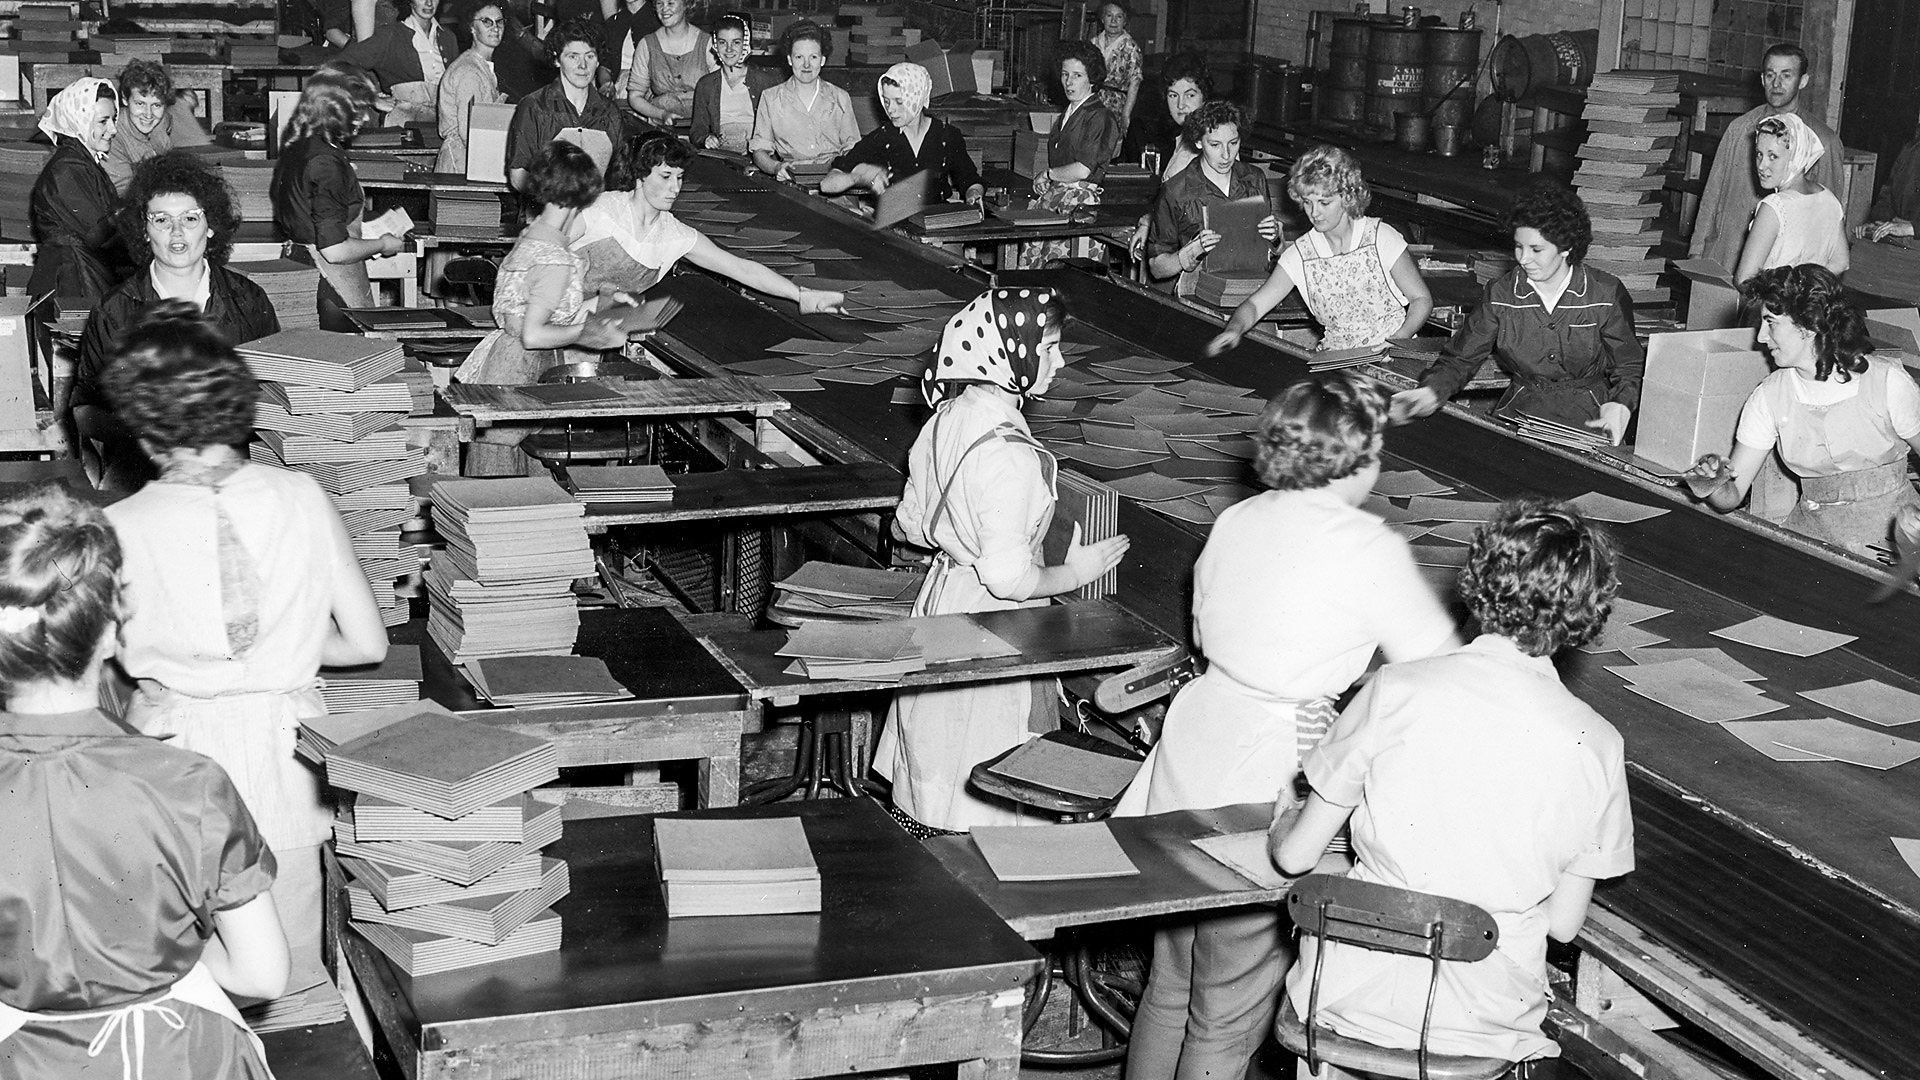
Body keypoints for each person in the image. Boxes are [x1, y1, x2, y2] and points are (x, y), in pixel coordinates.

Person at [1116, 373, 1458, 1080]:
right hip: (1271, 769)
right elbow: (1440, 673)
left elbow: (1208, 630)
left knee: (1172, 982)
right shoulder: (1367, 545)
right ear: (1356, 457)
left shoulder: (1239, 519)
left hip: (1192, 750)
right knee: (1227, 1008)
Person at [1271, 498, 1634, 1069]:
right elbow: (1564, 925)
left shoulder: (1395, 688)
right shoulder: (1601, 744)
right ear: (1587, 614)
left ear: (1479, 582)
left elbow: (1295, 857)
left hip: (1345, 996)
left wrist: (1283, 820)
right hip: (1481, 1021)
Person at [102, 303, 388, 1010]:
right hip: (288, 763)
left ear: (141, 425)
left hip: (168, 768)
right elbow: (367, 643)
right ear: (237, 402)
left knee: (176, 985)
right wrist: (279, 650)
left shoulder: (115, 527)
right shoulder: (302, 495)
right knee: (289, 988)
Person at [0, 486, 291, 1078]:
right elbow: (263, 975)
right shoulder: (189, 785)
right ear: (110, 632)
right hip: (185, 1058)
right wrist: (151, 965)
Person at [877, 288, 1131, 833]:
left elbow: (911, 525)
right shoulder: (1010, 454)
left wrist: (961, 536)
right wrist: (1075, 572)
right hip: (989, 631)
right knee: (982, 784)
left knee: (933, 762)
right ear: (1009, 353)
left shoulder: (947, 415)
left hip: (942, 604)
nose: (1059, 361)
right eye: (1050, 348)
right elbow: (1007, 578)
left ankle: (926, 855)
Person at [75, 153, 281, 488]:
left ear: (210, 226)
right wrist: (149, 430)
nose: (177, 232)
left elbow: (275, 397)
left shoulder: (248, 300)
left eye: (190, 218)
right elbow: (85, 411)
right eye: (161, 220)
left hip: (232, 471)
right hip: (143, 473)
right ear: (144, 230)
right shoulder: (114, 310)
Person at [1684, 265, 1920, 553]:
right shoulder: (1768, 397)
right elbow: (1731, 497)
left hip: (1900, 536)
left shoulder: (1888, 382)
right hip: (1816, 534)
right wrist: (1712, 482)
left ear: (1809, 325)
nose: (1760, 337)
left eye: (1771, 323)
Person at [1393, 182, 1643, 447]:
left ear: (1566, 247)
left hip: (1590, 418)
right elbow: (1461, 359)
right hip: (1522, 415)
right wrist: (1431, 391)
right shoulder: (1501, 294)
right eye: (1518, 246)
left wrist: (1621, 404)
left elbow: (1628, 365)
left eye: (1536, 249)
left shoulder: (1604, 294)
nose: (1523, 259)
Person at [456, 141, 628, 475]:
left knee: (499, 477)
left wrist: (603, 302)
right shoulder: (555, 260)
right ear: (580, 201)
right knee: (505, 485)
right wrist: (587, 333)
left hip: (507, 368)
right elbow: (534, 335)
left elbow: (535, 308)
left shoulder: (531, 237)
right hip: (523, 371)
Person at [577, 132, 848, 308]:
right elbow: (549, 245)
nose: (675, 188)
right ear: (640, 176)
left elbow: (741, 269)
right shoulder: (600, 210)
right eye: (666, 176)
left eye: (680, 177)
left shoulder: (673, 235)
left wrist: (800, 295)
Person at [1206, 143, 1432, 351]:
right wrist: (1234, 330)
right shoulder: (1301, 254)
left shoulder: (1380, 237)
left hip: (1393, 354)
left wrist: (1396, 341)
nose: (1314, 213)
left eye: (1324, 202)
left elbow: (1421, 300)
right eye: (1307, 202)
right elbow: (1255, 306)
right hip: (1336, 360)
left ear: (1347, 196)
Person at [272, 68, 408, 331]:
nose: (366, 117)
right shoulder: (327, 163)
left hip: (300, 262)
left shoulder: (300, 142)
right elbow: (335, 251)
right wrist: (382, 243)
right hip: (330, 284)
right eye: (359, 110)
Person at [1692, 43, 1846, 270]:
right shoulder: (1740, 128)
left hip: (1779, 270)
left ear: (1803, 81)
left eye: (1786, 75)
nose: (1776, 84)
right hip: (1725, 257)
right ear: (1763, 79)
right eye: (1771, 75)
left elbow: (1827, 218)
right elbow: (1713, 193)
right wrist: (1696, 251)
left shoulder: (1822, 141)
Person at [31, 78, 128, 432]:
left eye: (113, 119)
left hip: (83, 273)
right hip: (72, 282)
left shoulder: (82, 162)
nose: (112, 129)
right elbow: (101, 234)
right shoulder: (67, 169)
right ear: (78, 119)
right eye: (103, 121)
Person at [1140, 101, 1278, 288]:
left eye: (1233, 143)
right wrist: (1192, 251)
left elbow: (1269, 251)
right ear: (1198, 142)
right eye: (1215, 145)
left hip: (1249, 285)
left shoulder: (1254, 178)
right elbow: (1157, 268)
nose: (1226, 155)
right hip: (1197, 288)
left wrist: (1275, 238)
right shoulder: (1176, 191)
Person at [820, 61, 985, 207]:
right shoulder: (882, 138)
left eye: (899, 102)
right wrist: (860, 176)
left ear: (917, 98)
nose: (891, 109)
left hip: (936, 220)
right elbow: (827, 185)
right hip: (894, 225)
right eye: (886, 101)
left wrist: (974, 194)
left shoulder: (946, 135)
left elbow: (970, 179)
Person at [1018, 40, 1121, 268]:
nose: (1069, 82)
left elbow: (1083, 169)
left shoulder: (1099, 116)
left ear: (1092, 79)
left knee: (1063, 270)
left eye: (1077, 75)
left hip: (1079, 206)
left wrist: (1048, 174)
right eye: (1065, 74)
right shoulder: (1066, 114)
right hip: (1057, 199)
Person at [505, 17, 627, 189]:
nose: (583, 65)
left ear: (598, 60)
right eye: (573, 56)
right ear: (557, 59)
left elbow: (619, 175)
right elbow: (518, 176)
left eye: (590, 56)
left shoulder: (609, 112)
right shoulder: (534, 106)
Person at [1734, 112, 1849, 283]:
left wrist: (1787, 294)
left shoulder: (1774, 207)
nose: (1762, 166)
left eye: (1773, 156)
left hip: (1775, 300)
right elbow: (1841, 262)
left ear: (1796, 156)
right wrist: (1806, 290)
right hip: (1812, 299)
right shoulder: (1829, 199)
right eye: (1759, 154)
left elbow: (1744, 279)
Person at [1125, 52, 1210, 262]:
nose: (1181, 105)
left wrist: (1150, 222)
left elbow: (1195, 213)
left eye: (1190, 95)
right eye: (1173, 95)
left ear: (1204, 97)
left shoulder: (1211, 144)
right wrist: (1149, 220)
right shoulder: (1183, 140)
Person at [749, 20, 859, 181]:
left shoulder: (840, 97)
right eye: (799, 57)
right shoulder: (770, 98)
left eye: (813, 57)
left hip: (834, 178)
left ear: (822, 60)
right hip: (791, 178)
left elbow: (852, 148)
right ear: (790, 59)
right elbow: (760, 151)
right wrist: (776, 167)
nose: (806, 65)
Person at [339, 0, 459, 124]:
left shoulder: (448, 37)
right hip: (404, 125)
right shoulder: (390, 36)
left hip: (444, 123)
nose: (429, 3)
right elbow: (338, 66)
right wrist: (372, 99)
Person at [104, 60, 212, 194]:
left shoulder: (162, 122)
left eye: (156, 105)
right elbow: (123, 192)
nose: (148, 114)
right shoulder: (112, 137)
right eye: (140, 104)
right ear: (125, 99)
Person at [689, 13, 781, 155]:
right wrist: (706, 138)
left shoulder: (765, 82)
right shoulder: (706, 85)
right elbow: (697, 129)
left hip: (757, 155)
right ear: (715, 45)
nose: (729, 49)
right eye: (722, 42)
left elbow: (779, 128)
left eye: (736, 42)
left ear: (745, 44)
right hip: (722, 155)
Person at [434, 0, 509, 173]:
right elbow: (468, 133)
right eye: (486, 22)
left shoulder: (481, 66)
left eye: (499, 22)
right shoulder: (469, 71)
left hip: (471, 159)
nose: (495, 28)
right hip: (461, 163)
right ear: (472, 28)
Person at [623, 0, 713, 127]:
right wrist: (661, 114)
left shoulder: (707, 43)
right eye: (659, 3)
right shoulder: (647, 44)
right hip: (662, 125)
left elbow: (721, 91)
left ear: (686, 5)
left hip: (704, 125)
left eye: (670, 3)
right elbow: (635, 96)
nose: (664, 9)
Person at [1089, 0, 1142, 139]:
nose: (1113, 21)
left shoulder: (1131, 47)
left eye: (1119, 16)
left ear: (1125, 21)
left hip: (1115, 106)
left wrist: (1126, 114)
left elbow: (1135, 83)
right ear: (1102, 19)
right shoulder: (1093, 43)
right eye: (1109, 15)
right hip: (1092, 101)